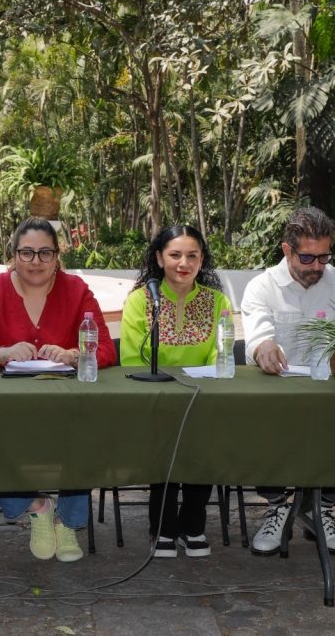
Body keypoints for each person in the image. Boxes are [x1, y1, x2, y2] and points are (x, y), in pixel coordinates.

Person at [0, 217, 116, 563]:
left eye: (45, 253)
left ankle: (67, 522)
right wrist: (1, 353)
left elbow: (106, 349)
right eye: (26, 253)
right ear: (14, 254)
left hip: (66, 407)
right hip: (6, 408)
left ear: (57, 255)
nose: (35, 261)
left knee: (89, 429)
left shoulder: (76, 290)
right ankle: (36, 506)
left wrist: (75, 354)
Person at [240, 207, 335, 556]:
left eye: (324, 257)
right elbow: (258, 335)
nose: (316, 267)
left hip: (330, 395)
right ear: (287, 250)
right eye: (307, 257)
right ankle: (278, 507)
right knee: (258, 420)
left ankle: (323, 508)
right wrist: (263, 348)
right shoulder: (262, 286)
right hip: (278, 395)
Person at [119, 224, 230, 559]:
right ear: (159, 258)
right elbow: (131, 358)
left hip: (202, 398)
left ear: (202, 260)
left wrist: (200, 386)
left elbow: (220, 354)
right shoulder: (140, 300)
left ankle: (193, 524)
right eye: (175, 255)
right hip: (153, 400)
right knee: (164, 440)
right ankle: (163, 527)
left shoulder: (217, 301)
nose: (184, 263)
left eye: (192, 255)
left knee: (204, 438)